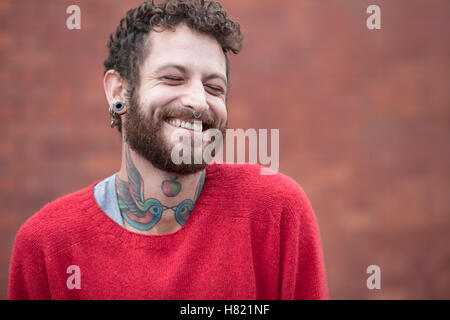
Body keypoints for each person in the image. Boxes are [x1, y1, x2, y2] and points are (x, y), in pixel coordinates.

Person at [8, 0, 329, 300]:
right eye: (173, 78)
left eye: (214, 88)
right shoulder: (47, 245)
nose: (199, 101)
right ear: (119, 91)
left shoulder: (274, 212)